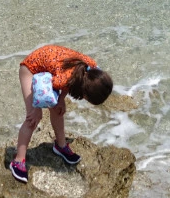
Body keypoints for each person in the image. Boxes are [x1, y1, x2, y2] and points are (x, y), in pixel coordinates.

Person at [10, 44, 113, 183]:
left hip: (51, 66)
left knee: (57, 110)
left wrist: (61, 99)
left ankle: (60, 145)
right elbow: (41, 84)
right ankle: (18, 160)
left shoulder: (91, 69)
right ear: (83, 93)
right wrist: (36, 108)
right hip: (31, 70)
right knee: (33, 118)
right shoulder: (62, 79)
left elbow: (69, 83)